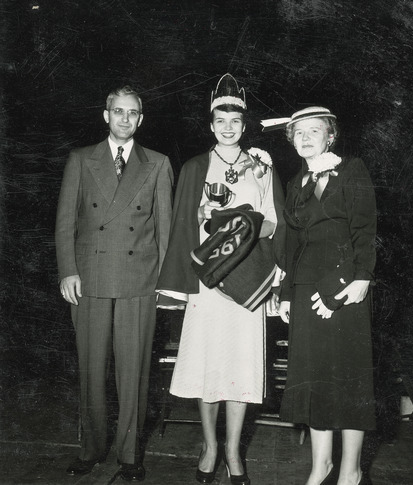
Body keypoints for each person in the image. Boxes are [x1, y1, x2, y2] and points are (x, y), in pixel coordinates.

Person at [156, 73, 284, 485]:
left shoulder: (262, 168)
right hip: (209, 285)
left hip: (247, 282)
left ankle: (233, 451)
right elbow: (183, 228)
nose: (228, 128)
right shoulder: (195, 167)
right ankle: (210, 446)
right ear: (211, 125)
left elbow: (275, 224)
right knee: (207, 367)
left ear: (244, 126)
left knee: (242, 369)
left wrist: (241, 224)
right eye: (220, 121)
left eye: (235, 122)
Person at [55, 86, 173, 481]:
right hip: (89, 278)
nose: (125, 118)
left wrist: (166, 283)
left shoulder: (157, 163)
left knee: (134, 373)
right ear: (106, 116)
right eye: (118, 111)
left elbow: (166, 231)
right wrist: (68, 269)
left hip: (139, 280)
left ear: (142, 118)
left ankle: (129, 455)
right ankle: (90, 449)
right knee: (91, 370)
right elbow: (65, 222)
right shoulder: (80, 160)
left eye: (133, 112)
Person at [262, 107, 376, 485]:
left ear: (331, 136)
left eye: (315, 131)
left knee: (347, 378)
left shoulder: (352, 170)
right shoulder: (297, 182)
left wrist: (360, 279)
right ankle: (320, 465)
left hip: (345, 288)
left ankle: (350, 470)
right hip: (306, 289)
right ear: (292, 140)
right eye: (299, 133)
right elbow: (293, 242)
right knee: (313, 380)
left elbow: (364, 228)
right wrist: (286, 294)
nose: (306, 137)